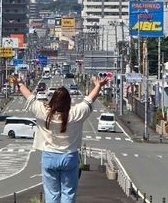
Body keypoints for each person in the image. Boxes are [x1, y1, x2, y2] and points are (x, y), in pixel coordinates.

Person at [13, 74, 109, 203]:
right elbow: (89, 100)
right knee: (68, 193)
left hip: (49, 157)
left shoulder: (44, 112)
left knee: (52, 194)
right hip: (69, 157)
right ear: (68, 101)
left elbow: (29, 97)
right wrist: (98, 86)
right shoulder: (75, 113)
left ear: (53, 100)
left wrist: (19, 83)